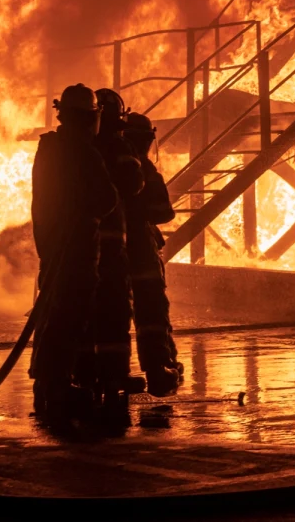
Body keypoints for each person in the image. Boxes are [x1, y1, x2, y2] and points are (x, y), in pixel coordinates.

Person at [29, 84, 118, 426]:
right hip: (76, 248)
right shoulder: (83, 152)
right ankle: (58, 383)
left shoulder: (48, 148)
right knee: (69, 315)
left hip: (51, 244)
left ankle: (47, 379)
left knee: (52, 311)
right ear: (89, 119)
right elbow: (106, 199)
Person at [92, 88, 145, 411]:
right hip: (111, 248)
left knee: (83, 311)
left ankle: (82, 374)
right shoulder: (118, 146)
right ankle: (114, 375)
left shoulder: (80, 147)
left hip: (78, 246)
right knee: (114, 312)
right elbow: (134, 184)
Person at [122, 112, 181, 397]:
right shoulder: (141, 168)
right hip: (140, 251)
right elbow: (165, 211)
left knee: (112, 313)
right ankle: (158, 369)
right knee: (151, 309)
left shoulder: (99, 161)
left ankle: (110, 374)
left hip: (105, 252)